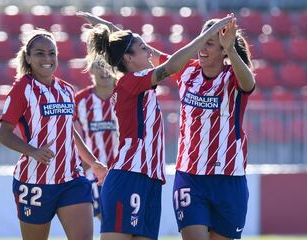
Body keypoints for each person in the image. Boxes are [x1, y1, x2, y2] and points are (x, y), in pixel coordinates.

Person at [77, 11, 233, 240]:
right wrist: (209, 34)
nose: (149, 50)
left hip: (150, 180)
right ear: (129, 59)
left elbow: (126, 46)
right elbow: (171, 66)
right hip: (129, 175)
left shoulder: (139, 79)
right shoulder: (131, 82)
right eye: (142, 48)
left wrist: (107, 25)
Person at [0, 29, 107, 240]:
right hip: (34, 182)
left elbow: (69, 130)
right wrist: (33, 152)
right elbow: (4, 134)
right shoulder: (22, 89)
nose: (47, 59)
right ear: (28, 58)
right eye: (39, 53)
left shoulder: (66, 90)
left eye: (52, 53)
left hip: (72, 179)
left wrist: (93, 162)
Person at [169, 17, 256, 240]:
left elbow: (249, 84)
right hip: (190, 176)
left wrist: (232, 51)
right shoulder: (186, 72)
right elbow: (158, 60)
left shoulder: (233, 76)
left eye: (209, 43)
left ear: (223, 50)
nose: (202, 48)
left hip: (229, 178)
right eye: (201, 40)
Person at [74, 56, 119, 220]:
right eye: (100, 65)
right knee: (104, 217)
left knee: (125, 219)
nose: (105, 70)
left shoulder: (126, 94)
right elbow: (65, 128)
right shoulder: (80, 100)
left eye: (109, 65)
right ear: (91, 69)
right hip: (94, 172)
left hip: (124, 169)